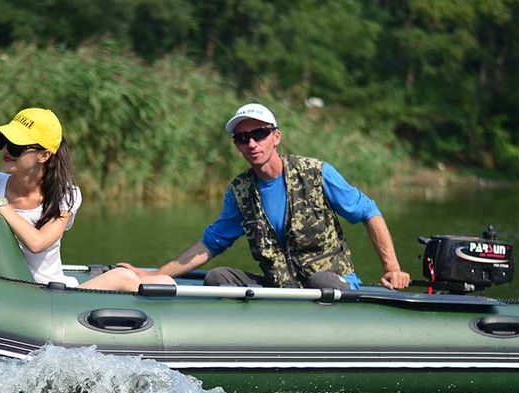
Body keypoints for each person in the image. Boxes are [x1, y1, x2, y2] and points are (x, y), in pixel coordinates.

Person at [122, 102, 411, 290]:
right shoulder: (240, 192)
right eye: (242, 138)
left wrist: (392, 269)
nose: (251, 143)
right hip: (281, 290)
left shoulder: (315, 172)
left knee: (319, 280)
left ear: (276, 136)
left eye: (259, 134)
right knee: (217, 277)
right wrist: (156, 274)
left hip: (331, 284)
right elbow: (208, 245)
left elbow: (369, 212)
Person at [0, 107, 173, 291]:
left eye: (17, 146)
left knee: (125, 278)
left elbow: (37, 243)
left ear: (43, 155)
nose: (6, 151)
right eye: (3, 142)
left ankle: (162, 286)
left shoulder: (66, 196)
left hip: (50, 296)